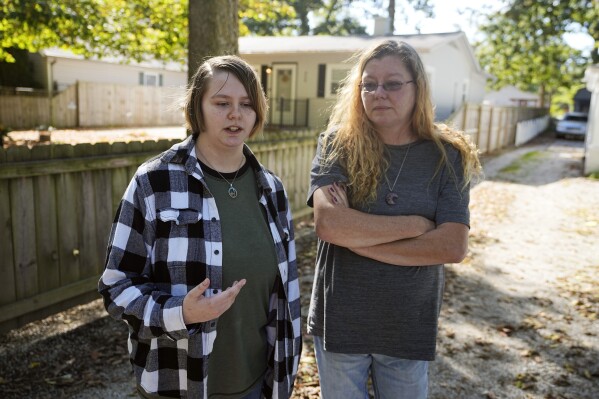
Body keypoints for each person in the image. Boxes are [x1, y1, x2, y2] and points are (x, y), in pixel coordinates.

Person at [99, 55, 301, 399]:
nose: (235, 114)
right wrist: (181, 313)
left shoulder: (272, 190)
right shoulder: (154, 182)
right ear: (197, 108)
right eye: (222, 103)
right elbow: (117, 287)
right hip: (177, 383)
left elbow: (285, 296)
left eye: (247, 104)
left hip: (257, 383)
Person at [307, 40, 482, 398]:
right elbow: (329, 225)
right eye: (368, 84)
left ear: (418, 87)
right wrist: (416, 226)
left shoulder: (447, 155)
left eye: (392, 83)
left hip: (406, 324)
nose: (378, 93)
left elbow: (451, 245)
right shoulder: (338, 145)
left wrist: (357, 236)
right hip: (341, 320)